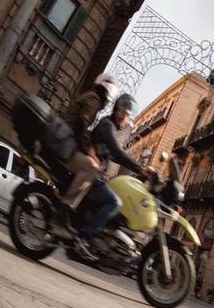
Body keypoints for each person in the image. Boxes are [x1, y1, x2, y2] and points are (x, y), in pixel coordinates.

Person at [52, 74, 120, 255]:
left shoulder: (91, 98)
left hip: (64, 143)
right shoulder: (94, 100)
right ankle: (63, 213)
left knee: (92, 166)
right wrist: (90, 152)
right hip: (62, 144)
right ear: (107, 94)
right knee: (91, 166)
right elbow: (82, 125)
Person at [78, 93, 148, 256]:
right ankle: (85, 236)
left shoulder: (108, 127)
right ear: (119, 111)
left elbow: (115, 155)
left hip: (94, 173)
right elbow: (117, 151)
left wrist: (139, 169)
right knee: (115, 202)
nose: (127, 119)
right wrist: (140, 169)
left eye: (129, 116)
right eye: (127, 115)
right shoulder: (106, 125)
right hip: (89, 172)